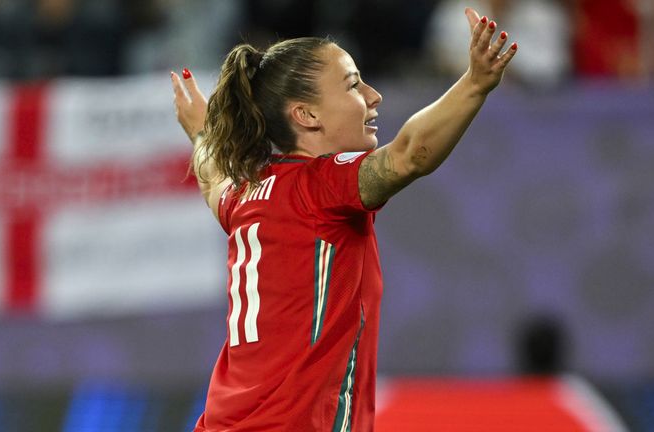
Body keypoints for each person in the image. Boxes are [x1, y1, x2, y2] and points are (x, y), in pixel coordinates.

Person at [170, 7, 516, 432]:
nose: (374, 96)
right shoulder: (321, 186)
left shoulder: (245, 196)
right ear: (307, 115)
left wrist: (202, 135)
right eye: (353, 84)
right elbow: (409, 155)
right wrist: (475, 84)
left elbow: (213, 183)